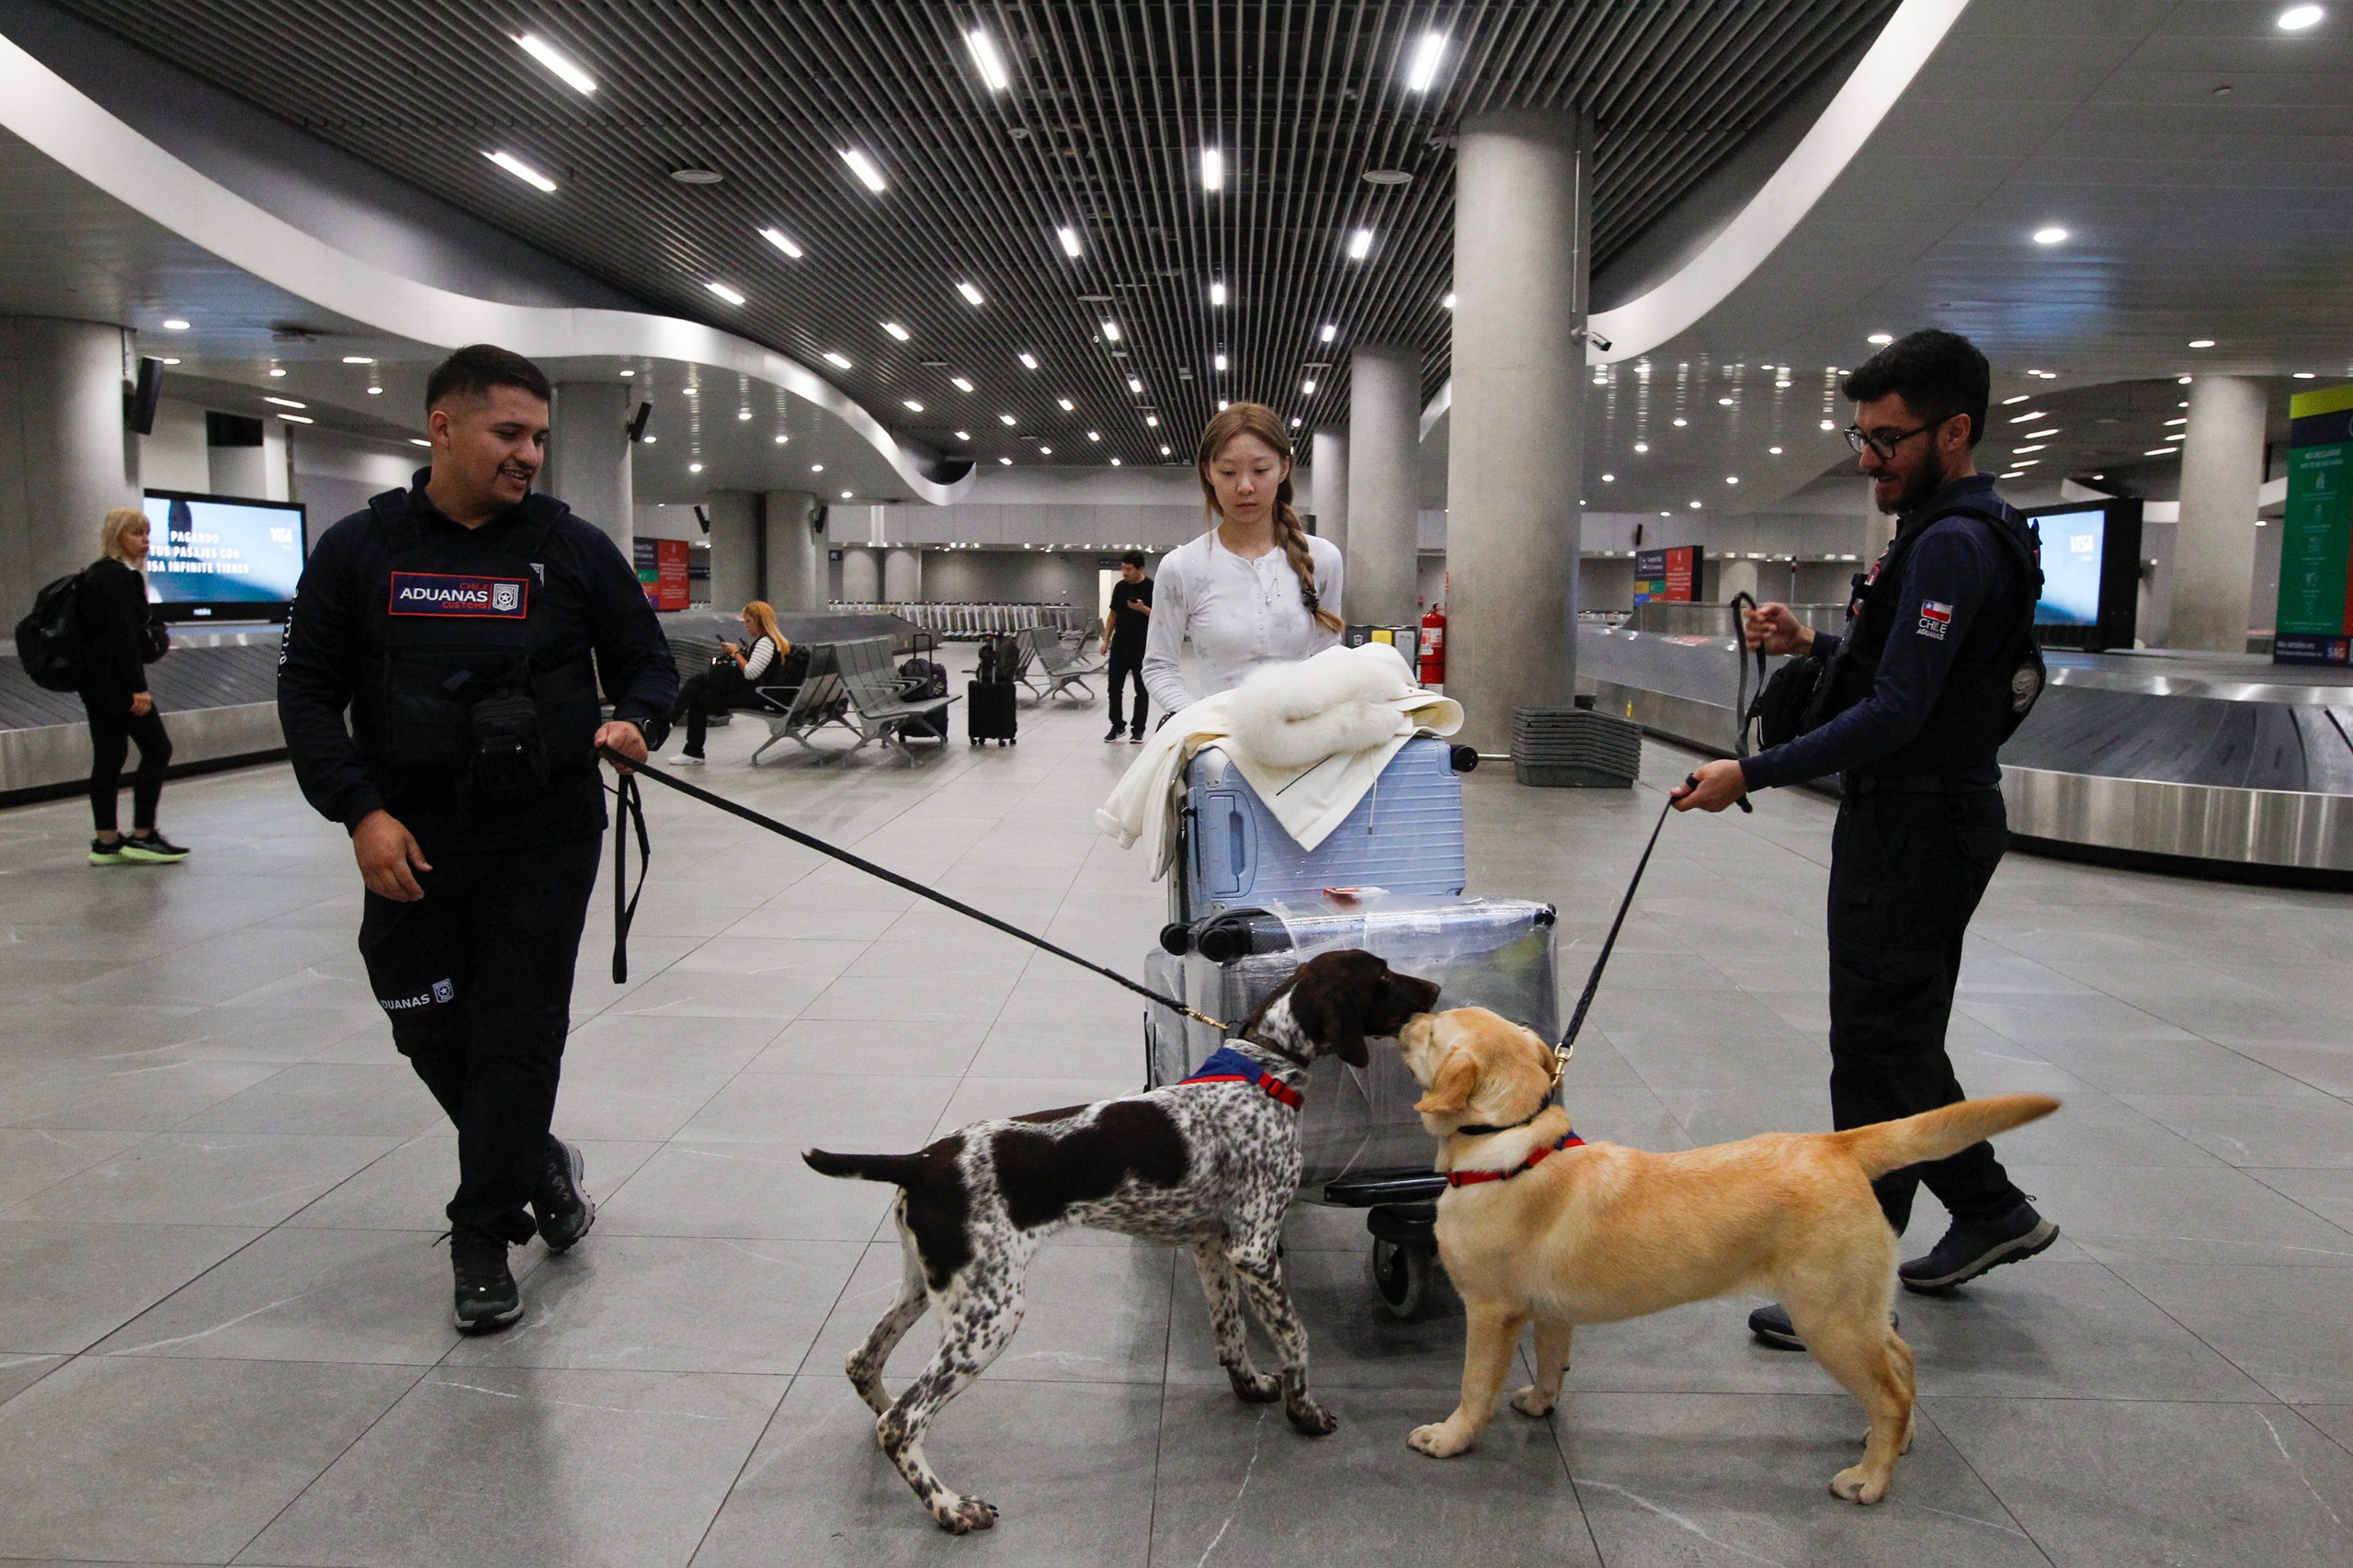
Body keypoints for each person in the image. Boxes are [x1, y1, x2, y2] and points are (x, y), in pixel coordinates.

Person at [277, 344, 678, 1335]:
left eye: (538, 436)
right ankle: (535, 1159)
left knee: (515, 1033)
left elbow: (648, 663)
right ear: (442, 427)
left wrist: (636, 722)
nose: (529, 454)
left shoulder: (570, 547)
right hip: (409, 836)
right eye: (509, 432)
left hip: (544, 834)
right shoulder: (359, 550)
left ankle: (482, 1233)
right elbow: (308, 693)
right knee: (424, 1019)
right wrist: (360, 811)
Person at [1672, 329, 2058, 1350]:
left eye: (1888, 439)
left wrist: (1750, 772)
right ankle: (1990, 1210)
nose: (1868, 459)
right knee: (1900, 1038)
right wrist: (1816, 644)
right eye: (1862, 436)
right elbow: (1927, 673)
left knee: (1876, 1051)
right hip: (1926, 816)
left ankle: (1849, 1282)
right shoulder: (1961, 531)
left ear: (1954, 432)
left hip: (1917, 822)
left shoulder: (1950, 542)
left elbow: (1898, 711)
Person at [1142, 403, 1343, 720]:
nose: (1245, 486)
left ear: (1284, 468)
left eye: (1260, 470)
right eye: (1228, 472)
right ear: (1208, 472)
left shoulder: (1323, 559)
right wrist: (1201, 722)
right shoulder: (1181, 567)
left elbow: (1328, 658)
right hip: (1218, 740)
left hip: (1304, 737)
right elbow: (1159, 666)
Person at [79, 508, 187, 866]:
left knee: (109, 755)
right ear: (117, 537)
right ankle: (143, 835)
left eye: (146, 534)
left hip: (94, 682)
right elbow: (123, 636)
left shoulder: (94, 574)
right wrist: (137, 688)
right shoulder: (120, 577)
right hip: (119, 684)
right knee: (157, 748)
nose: (145, 541)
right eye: (136, 534)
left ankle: (106, 841)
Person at [668, 599, 792, 764]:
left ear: (760, 621)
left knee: (698, 686)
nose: (745, 626)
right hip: (759, 693)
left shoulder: (765, 642)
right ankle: (688, 746)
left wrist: (735, 653)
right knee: (699, 691)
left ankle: (680, 734)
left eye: (748, 622)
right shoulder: (774, 641)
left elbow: (751, 673)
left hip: (755, 695)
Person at [1101, 552, 1153, 743]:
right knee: (1114, 688)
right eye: (1123, 568)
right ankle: (1117, 725)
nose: (1124, 572)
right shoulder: (1120, 587)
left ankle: (1138, 729)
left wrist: (1142, 609)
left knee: (1142, 690)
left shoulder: (1151, 587)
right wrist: (1106, 640)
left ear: (1140, 569)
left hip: (1142, 647)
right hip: (1120, 646)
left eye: (1129, 569)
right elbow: (1113, 615)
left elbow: (1159, 616)